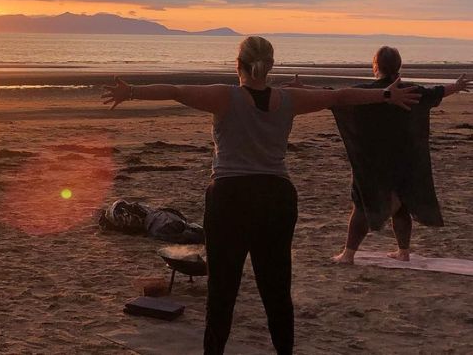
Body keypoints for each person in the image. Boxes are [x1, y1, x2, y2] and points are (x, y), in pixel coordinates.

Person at [101, 36, 421, 355]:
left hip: (230, 198)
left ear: (237, 64)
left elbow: (175, 91)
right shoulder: (289, 99)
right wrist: (384, 95)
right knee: (276, 292)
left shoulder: (225, 98)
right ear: (269, 66)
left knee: (222, 293)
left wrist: (130, 92)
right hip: (276, 199)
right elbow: (338, 97)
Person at [287, 48, 471, 265]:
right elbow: (437, 91)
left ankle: (348, 254)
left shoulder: (366, 93)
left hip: (373, 161)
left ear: (376, 66)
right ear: (398, 67)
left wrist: (303, 89)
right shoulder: (413, 91)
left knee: (362, 204)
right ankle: (403, 251)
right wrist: (457, 86)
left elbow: (335, 96)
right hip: (406, 160)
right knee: (401, 205)